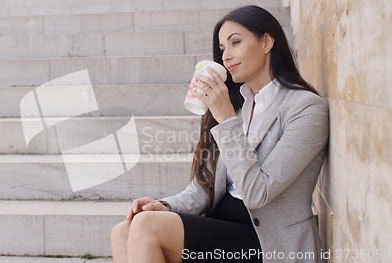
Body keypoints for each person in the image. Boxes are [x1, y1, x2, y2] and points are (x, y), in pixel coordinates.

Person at [110, 5, 329, 263]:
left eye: (235, 42)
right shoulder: (240, 105)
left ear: (267, 42)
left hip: (268, 241)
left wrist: (226, 119)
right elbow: (207, 187)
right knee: (124, 230)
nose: (225, 56)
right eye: (223, 48)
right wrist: (166, 205)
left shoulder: (305, 108)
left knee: (147, 227)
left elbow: (259, 193)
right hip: (224, 226)